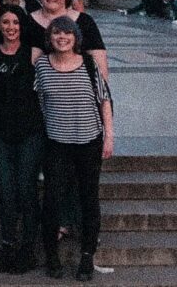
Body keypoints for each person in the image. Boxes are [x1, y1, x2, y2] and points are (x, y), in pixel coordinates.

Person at [36, 17, 114, 281]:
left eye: (67, 33)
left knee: (89, 200)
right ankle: (52, 256)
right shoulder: (42, 66)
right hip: (57, 143)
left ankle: (86, 257)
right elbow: (38, 102)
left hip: (88, 142)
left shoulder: (89, 64)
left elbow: (104, 101)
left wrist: (109, 137)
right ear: (50, 37)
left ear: (75, 38)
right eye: (57, 33)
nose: (62, 38)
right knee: (52, 200)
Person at [0, 5, 45, 275]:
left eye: (15, 22)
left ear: (22, 26)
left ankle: (28, 249)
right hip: (0, 132)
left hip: (29, 131)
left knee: (26, 188)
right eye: (5, 22)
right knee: (6, 191)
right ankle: (8, 247)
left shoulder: (33, 53)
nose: (10, 27)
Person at [26, 0, 110, 78]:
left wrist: (103, 90)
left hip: (78, 85)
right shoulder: (27, 21)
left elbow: (99, 59)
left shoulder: (84, 21)